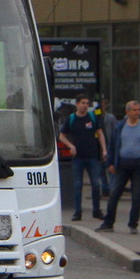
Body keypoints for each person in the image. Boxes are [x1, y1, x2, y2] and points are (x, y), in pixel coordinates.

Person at [96, 100, 140, 234]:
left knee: (136, 196)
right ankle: (108, 223)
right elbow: (113, 145)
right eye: (134, 110)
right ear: (127, 112)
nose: (137, 112)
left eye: (138, 110)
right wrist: (110, 163)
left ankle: (133, 224)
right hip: (122, 165)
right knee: (114, 195)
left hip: (139, 165)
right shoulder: (120, 126)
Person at [58, 94, 105, 222]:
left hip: (92, 156)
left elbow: (100, 133)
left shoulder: (92, 117)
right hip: (78, 157)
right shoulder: (72, 119)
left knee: (96, 184)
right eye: (83, 103)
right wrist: (70, 146)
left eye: (87, 103)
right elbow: (62, 135)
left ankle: (97, 210)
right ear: (77, 104)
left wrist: (104, 150)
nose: (85, 105)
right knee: (78, 185)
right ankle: (77, 211)